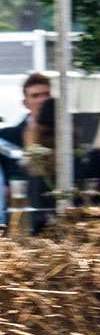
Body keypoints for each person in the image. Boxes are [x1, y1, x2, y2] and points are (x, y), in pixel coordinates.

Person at [0, 73, 60, 230]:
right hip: (22, 218)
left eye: (46, 94)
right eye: (35, 95)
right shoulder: (7, 137)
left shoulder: (65, 136)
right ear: (25, 103)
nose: (42, 100)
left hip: (57, 213)